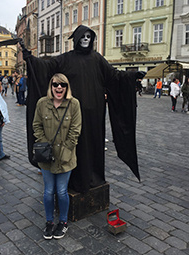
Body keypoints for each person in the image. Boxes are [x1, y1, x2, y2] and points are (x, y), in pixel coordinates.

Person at [22, 25, 145, 193]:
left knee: (94, 143)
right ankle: (73, 178)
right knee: (74, 144)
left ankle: (94, 177)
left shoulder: (97, 59)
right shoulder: (65, 59)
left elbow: (114, 76)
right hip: (72, 113)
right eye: (83, 36)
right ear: (77, 39)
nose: (86, 39)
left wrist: (131, 76)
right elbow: (46, 68)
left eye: (89, 36)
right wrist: (31, 59)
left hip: (95, 114)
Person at [33, 73, 81, 239]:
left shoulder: (73, 104)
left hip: (66, 157)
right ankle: (49, 222)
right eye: (55, 84)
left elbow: (75, 130)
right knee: (48, 192)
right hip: (46, 157)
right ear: (51, 86)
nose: (59, 88)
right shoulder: (42, 103)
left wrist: (64, 151)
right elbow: (36, 126)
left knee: (61, 192)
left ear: (67, 87)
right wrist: (44, 145)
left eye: (62, 85)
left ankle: (63, 222)